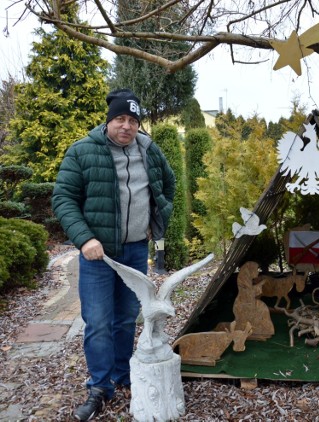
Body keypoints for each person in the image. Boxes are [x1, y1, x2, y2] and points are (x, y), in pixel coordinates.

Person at [52, 88, 176, 421]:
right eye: (120, 118)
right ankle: (100, 386)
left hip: (135, 251)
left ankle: (124, 375)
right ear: (109, 120)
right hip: (98, 255)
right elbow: (63, 199)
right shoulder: (82, 151)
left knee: (126, 318)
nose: (126, 126)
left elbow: (168, 182)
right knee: (98, 322)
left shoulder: (149, 150)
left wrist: (157, 219)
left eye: (133, 120)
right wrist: (84, 238)